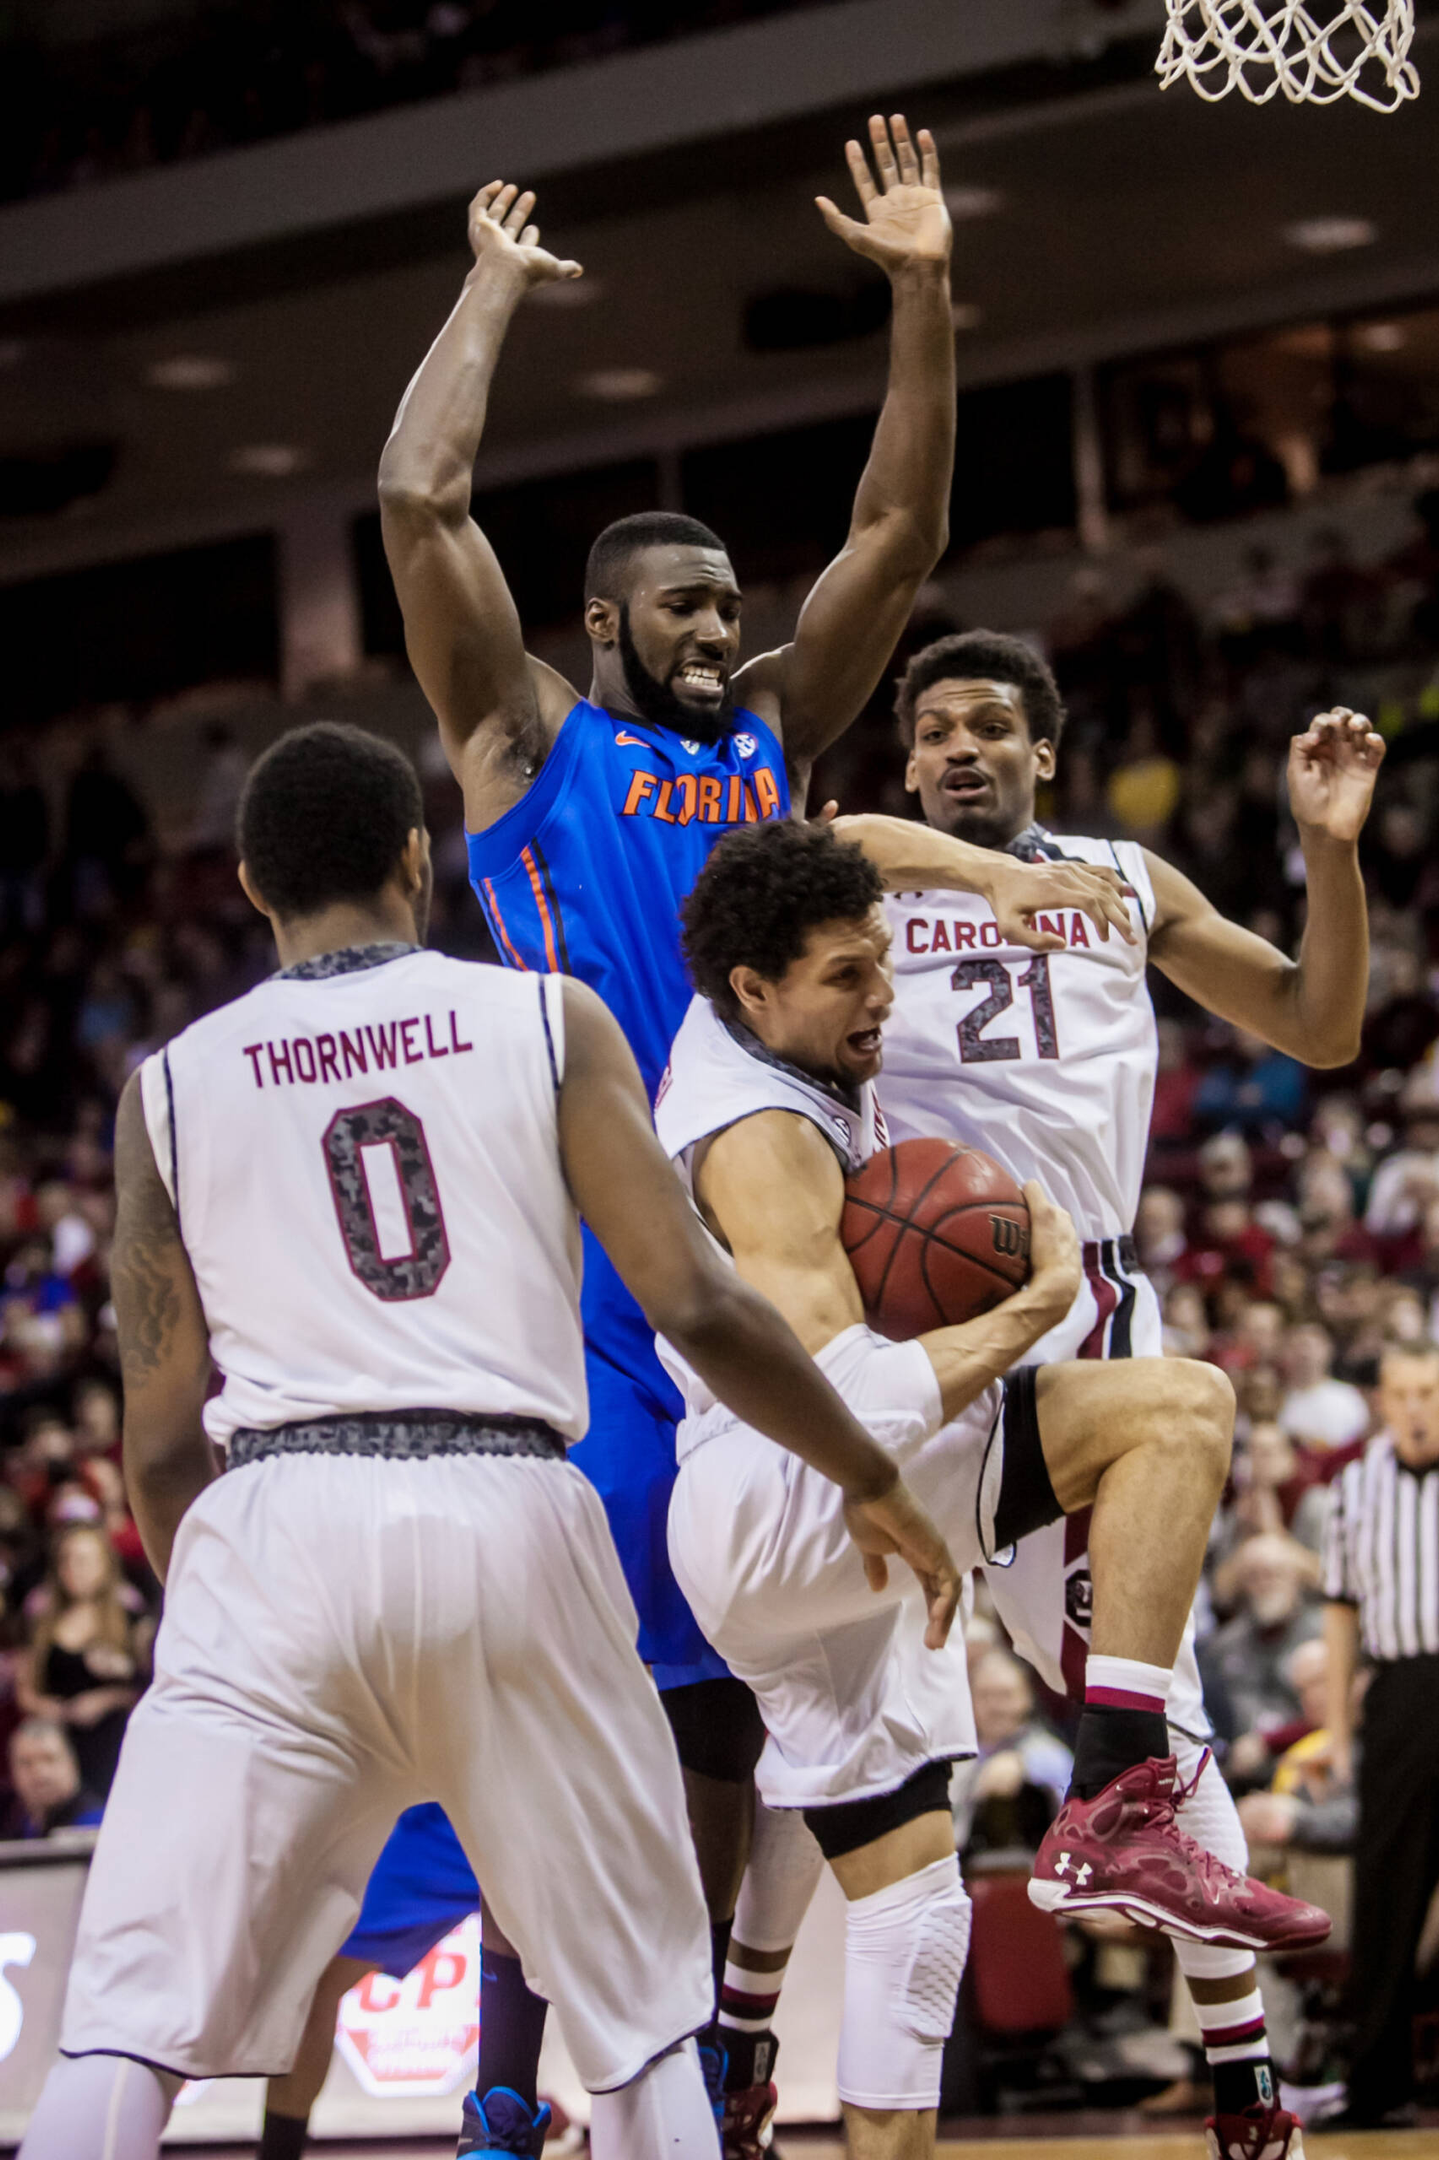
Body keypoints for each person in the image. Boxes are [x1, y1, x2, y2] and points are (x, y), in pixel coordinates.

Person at [377, 118, 1133, 2155]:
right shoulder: (533, 745)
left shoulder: (775, 744)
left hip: (753, 1243)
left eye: (732, 610)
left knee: (733, 1693)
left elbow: (896, 528)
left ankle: (711, 2050)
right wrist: (488, 295)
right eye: (691, 613)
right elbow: (413, 497)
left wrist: (918, 289)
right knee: (598, 1693)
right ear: (608, 627)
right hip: (584, 1282)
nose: (727, 633)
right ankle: (501, 2091)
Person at [17, 723, 959, 2160]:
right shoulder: (546, 1018)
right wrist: (869, 1470)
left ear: (253, 886)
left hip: (271, 1522)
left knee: (125, 2023)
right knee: (644, 2013)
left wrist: (228, 1600)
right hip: (509, 1500)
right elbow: (697, 1301)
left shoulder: (167, 1085)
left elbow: (155, 1445)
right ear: (417, 856)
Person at [726, 635, 1381, 2160]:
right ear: (906, 765)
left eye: (991, 729)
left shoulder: (1124, 880)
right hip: (899, 1312)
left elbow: (1319, 1025)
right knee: (822, 1681)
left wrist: (1322, 860)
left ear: (1045, 755)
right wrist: (980, 882)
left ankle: (1241, 2090)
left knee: (1159, 1721)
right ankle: (742, 2040)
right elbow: (800, 845)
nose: (960, 746)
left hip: (1077, 1317)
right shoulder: (862, 885)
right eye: (934, 729)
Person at [1321, 1338, 1439, 2129]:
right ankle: (1374, 2085)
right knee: (1388, 1884)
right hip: (1399, 1692)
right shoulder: (1351, 1486)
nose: (1417, 1409)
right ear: (1381, 1402)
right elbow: (1338, 1613)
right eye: (1402, 1394)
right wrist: (1334, 1727)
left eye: (1430, 1393)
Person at [17, 1522, 147, 1796]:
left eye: (83, 1559)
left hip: (113, 1743)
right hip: (60, 1746)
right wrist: (51, 1709)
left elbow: (149, 1686)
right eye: (67, 1559)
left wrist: (106, 1699)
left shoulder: (128, 1619)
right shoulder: (44, 1621)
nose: (74, 1568)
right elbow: (26, 1688)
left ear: (104, 1564)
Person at [6, 1717, 103, 1838]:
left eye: (49, 1759)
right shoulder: (18, 1826)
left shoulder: (97, 1824)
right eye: (26, 1763)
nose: (39, 1772)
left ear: (71, 1763)